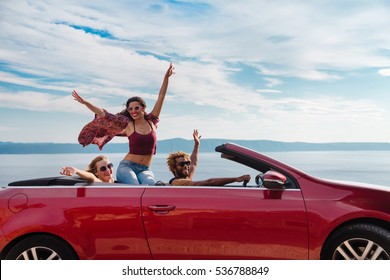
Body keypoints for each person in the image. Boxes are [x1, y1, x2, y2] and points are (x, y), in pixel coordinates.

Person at [72, 63, 174, 185]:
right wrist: (85, 102)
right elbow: (104, 114)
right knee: (136, 188)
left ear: (143, 108)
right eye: (130, 109)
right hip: (127, 167)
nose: (133, 111)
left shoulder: (152, 121)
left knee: (150, 188)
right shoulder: (128, 124)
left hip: (145, 169)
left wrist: (166, 78)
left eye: (136, 108)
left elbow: (161, 97)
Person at [167, 130, 251, 186]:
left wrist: (197, 145)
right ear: (174, 168)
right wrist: (236, 179)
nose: (186, 166)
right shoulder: (178, 183)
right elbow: (209, 182)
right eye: (182, 164)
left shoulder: (187, 178)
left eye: (187, 163)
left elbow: (193, 163)